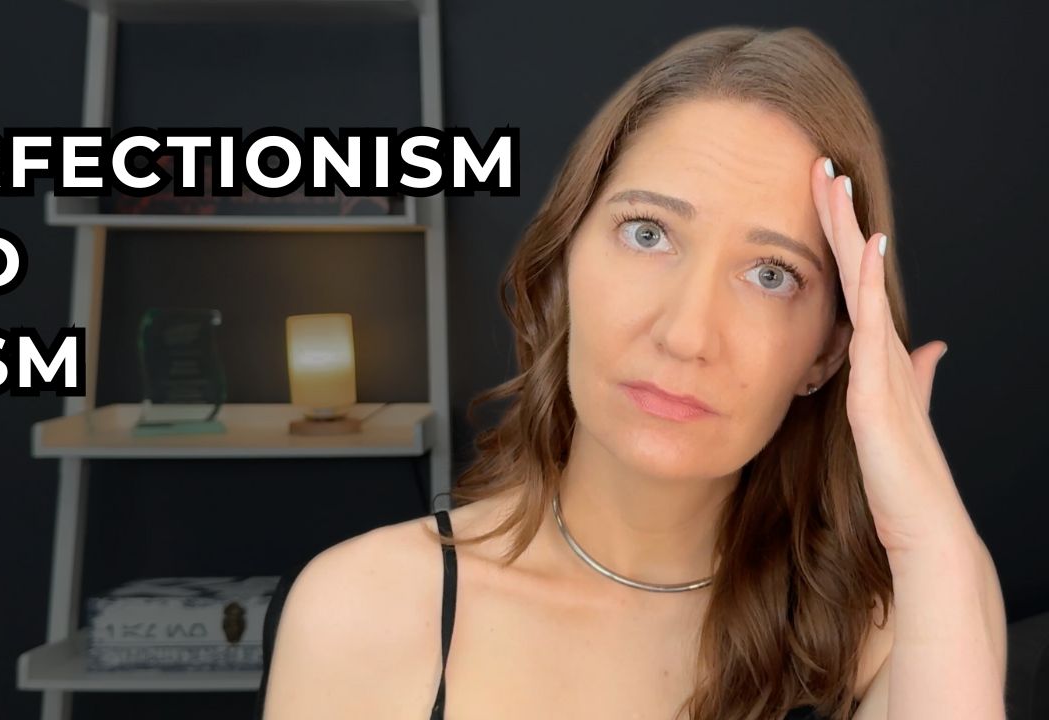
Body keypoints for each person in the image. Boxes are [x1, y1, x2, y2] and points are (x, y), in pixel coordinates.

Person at [259, 25, 1006, 720]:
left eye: (771, 274)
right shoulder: (363, 610)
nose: (685, 335)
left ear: (830, 350)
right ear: (563, 265)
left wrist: (925, 531)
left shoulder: (906, 626)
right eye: (648, 234)